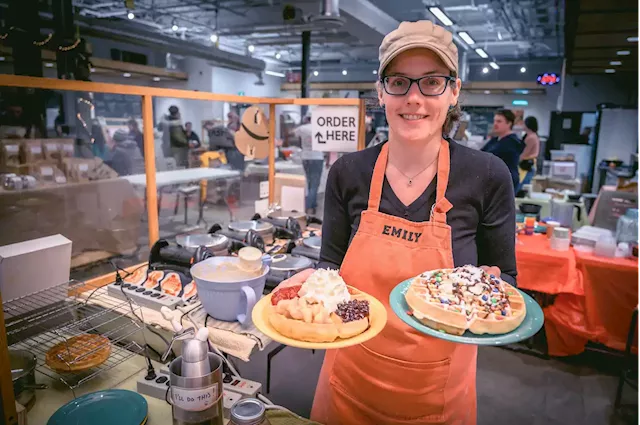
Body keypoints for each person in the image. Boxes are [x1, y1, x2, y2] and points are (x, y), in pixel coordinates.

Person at [275, 20, 517, 425]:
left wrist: (488, 287)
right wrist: (305, 286)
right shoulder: (348, 172)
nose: (414, 98)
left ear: (454, 90)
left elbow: (505, 279)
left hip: (438, 392)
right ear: (381, 91)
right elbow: (330, 266)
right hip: (349, 377)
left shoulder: (487, 175)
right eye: (399, 82)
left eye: (432, 83)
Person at [481, 109, 525, 190]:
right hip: (494, 181)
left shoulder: (512, 142)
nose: (495, 124)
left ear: (509, 123)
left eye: (499, 121)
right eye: (494, 121)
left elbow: (492, 156)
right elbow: (481, 153)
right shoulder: (495, 139)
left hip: (506, 183)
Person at [293, 115, 324, 215]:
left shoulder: (302, 128)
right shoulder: (321, 128)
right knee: (315, 184)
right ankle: (309, 207)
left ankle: (313, 204)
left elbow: (292, 133)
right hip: (317, 157)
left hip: (305, 157)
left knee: (310, 182)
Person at [518, 116, 540, 191]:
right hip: (526, 164)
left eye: (524, 123)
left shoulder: (531, 137)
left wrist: (516, 161)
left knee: (521, 186)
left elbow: (524, 153)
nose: (522, 125)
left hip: (527, 165)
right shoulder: (529, 136)